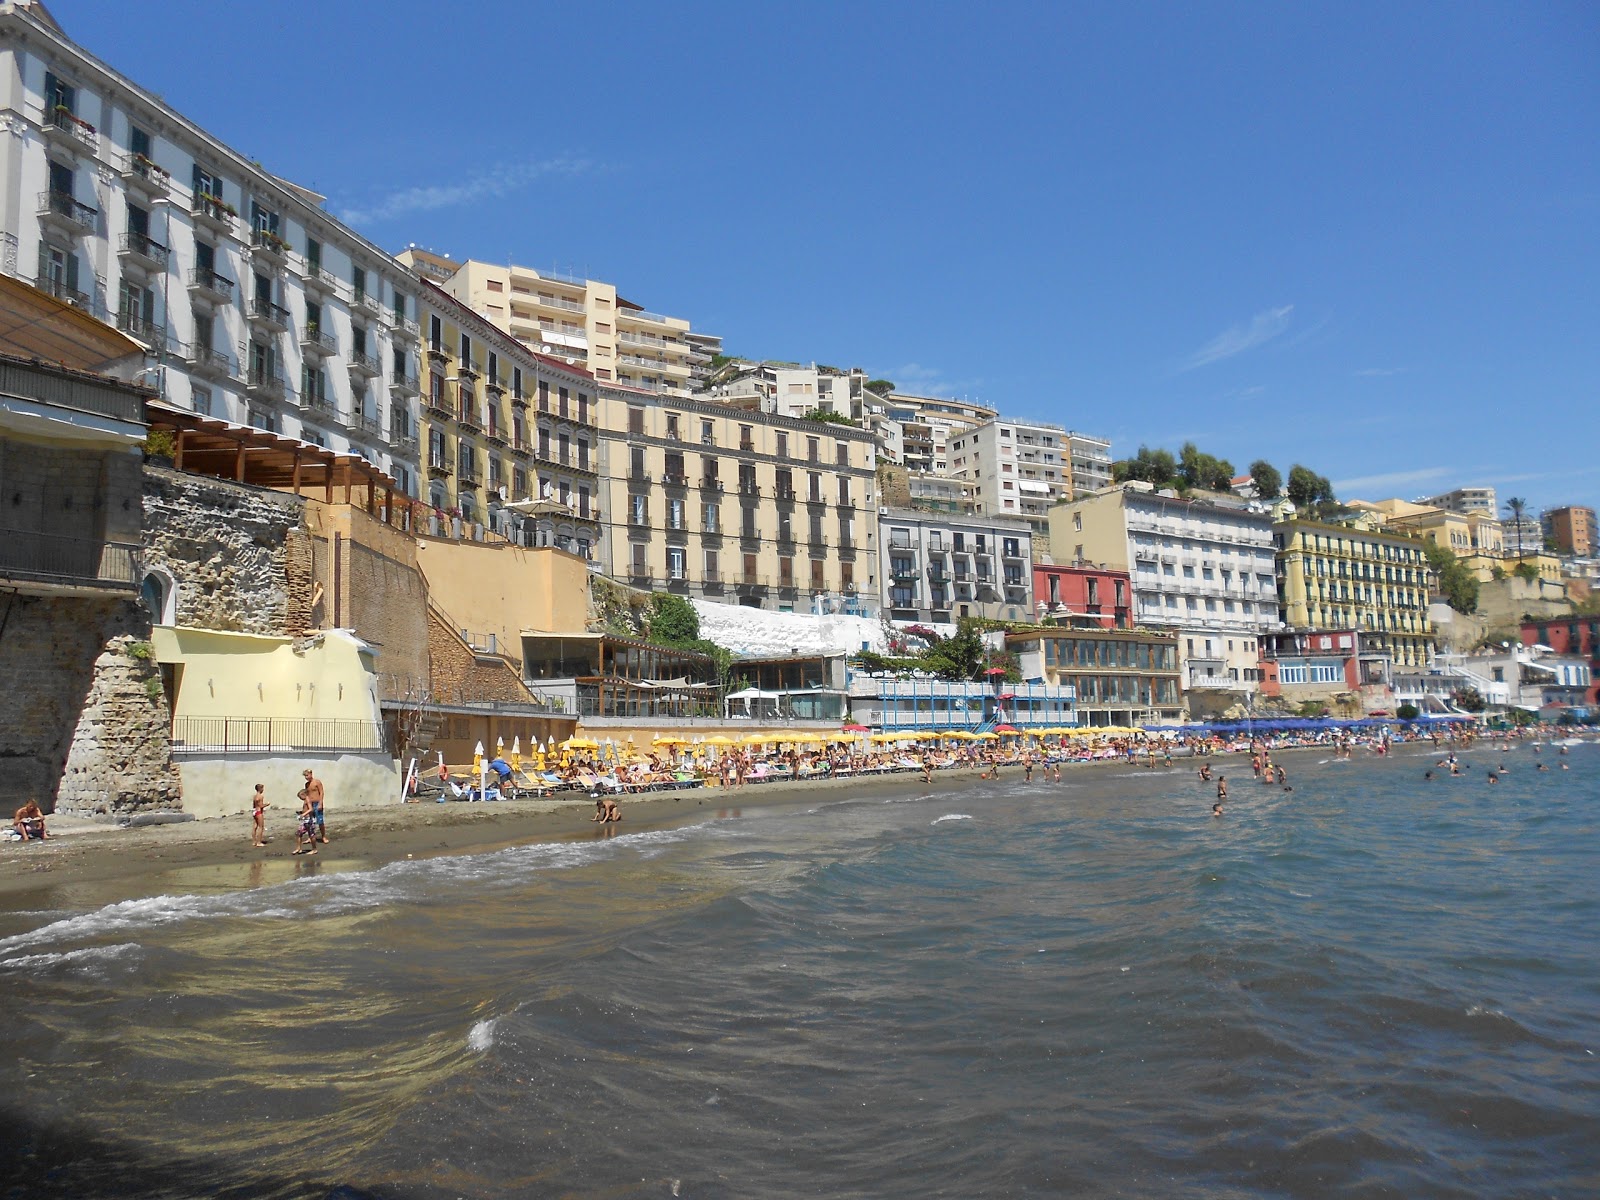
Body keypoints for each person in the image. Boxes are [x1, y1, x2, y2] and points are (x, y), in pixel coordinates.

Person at [303, 769, 327, 843]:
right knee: (310, 821)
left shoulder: (317, 782)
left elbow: (321, 792)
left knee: (320, 821)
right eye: (305, 776)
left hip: (317, 803)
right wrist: (305, 804)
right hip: (310, 804)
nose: (306, 777)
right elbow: (306, 795)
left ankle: (323, 837)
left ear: (311, 774)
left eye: (307, 775)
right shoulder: (306, 784)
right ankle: (311, 837)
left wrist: (320, 803)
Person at [292, 788, 318, 855]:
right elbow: (306, 809)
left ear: (304, 794)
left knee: (311, 835)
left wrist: (303, 814)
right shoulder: (305, 800)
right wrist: (301, 812)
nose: (301, 799)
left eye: (301, 797)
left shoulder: (308, 799)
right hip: (305, 820)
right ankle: (298, 848)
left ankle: (314, 849)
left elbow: (311, 809)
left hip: (309, 820)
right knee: (299, 833)